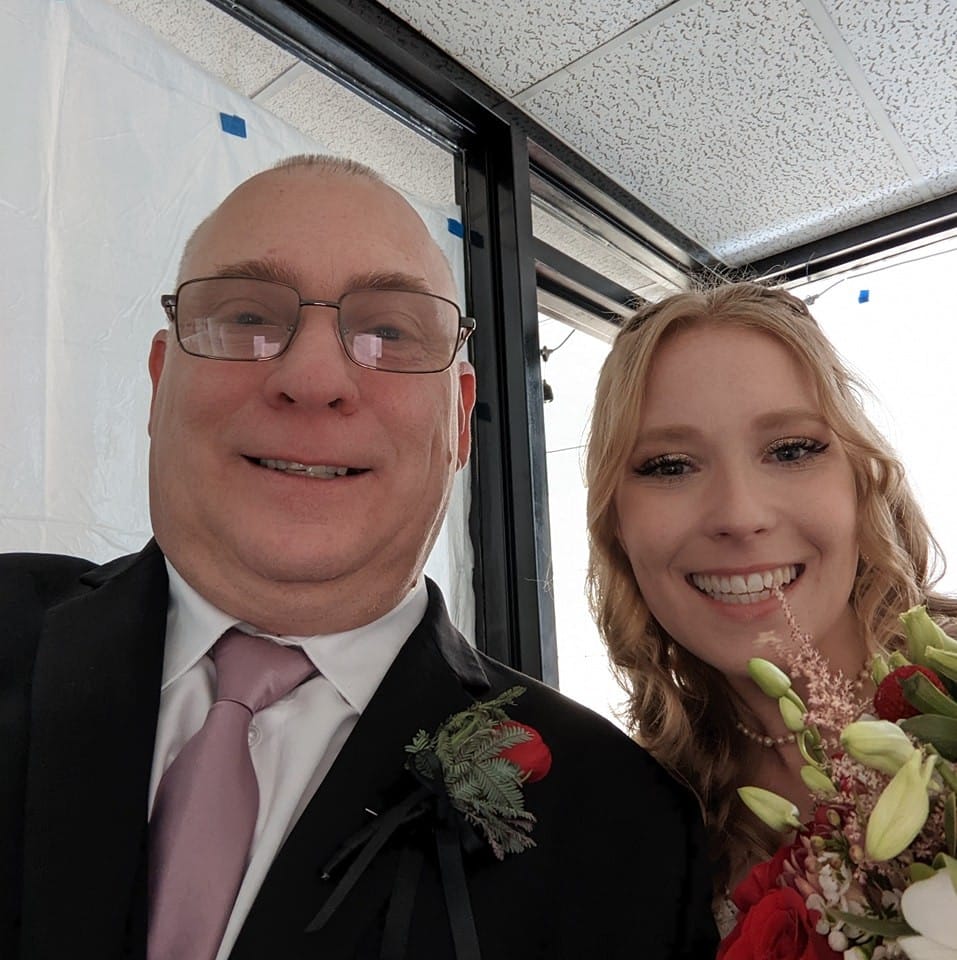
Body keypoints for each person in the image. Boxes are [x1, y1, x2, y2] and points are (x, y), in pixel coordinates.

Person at [1, 155, 717, 960]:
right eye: (244, 318)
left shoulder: (624, 826)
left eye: (389, 332)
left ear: (459, 418)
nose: (312, 377)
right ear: (161, 380)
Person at [584, 281, 957, 928]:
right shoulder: (628, 824)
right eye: (670, 466)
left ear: (862, 481)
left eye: (790, 450)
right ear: (616, 522)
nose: (738, 515)